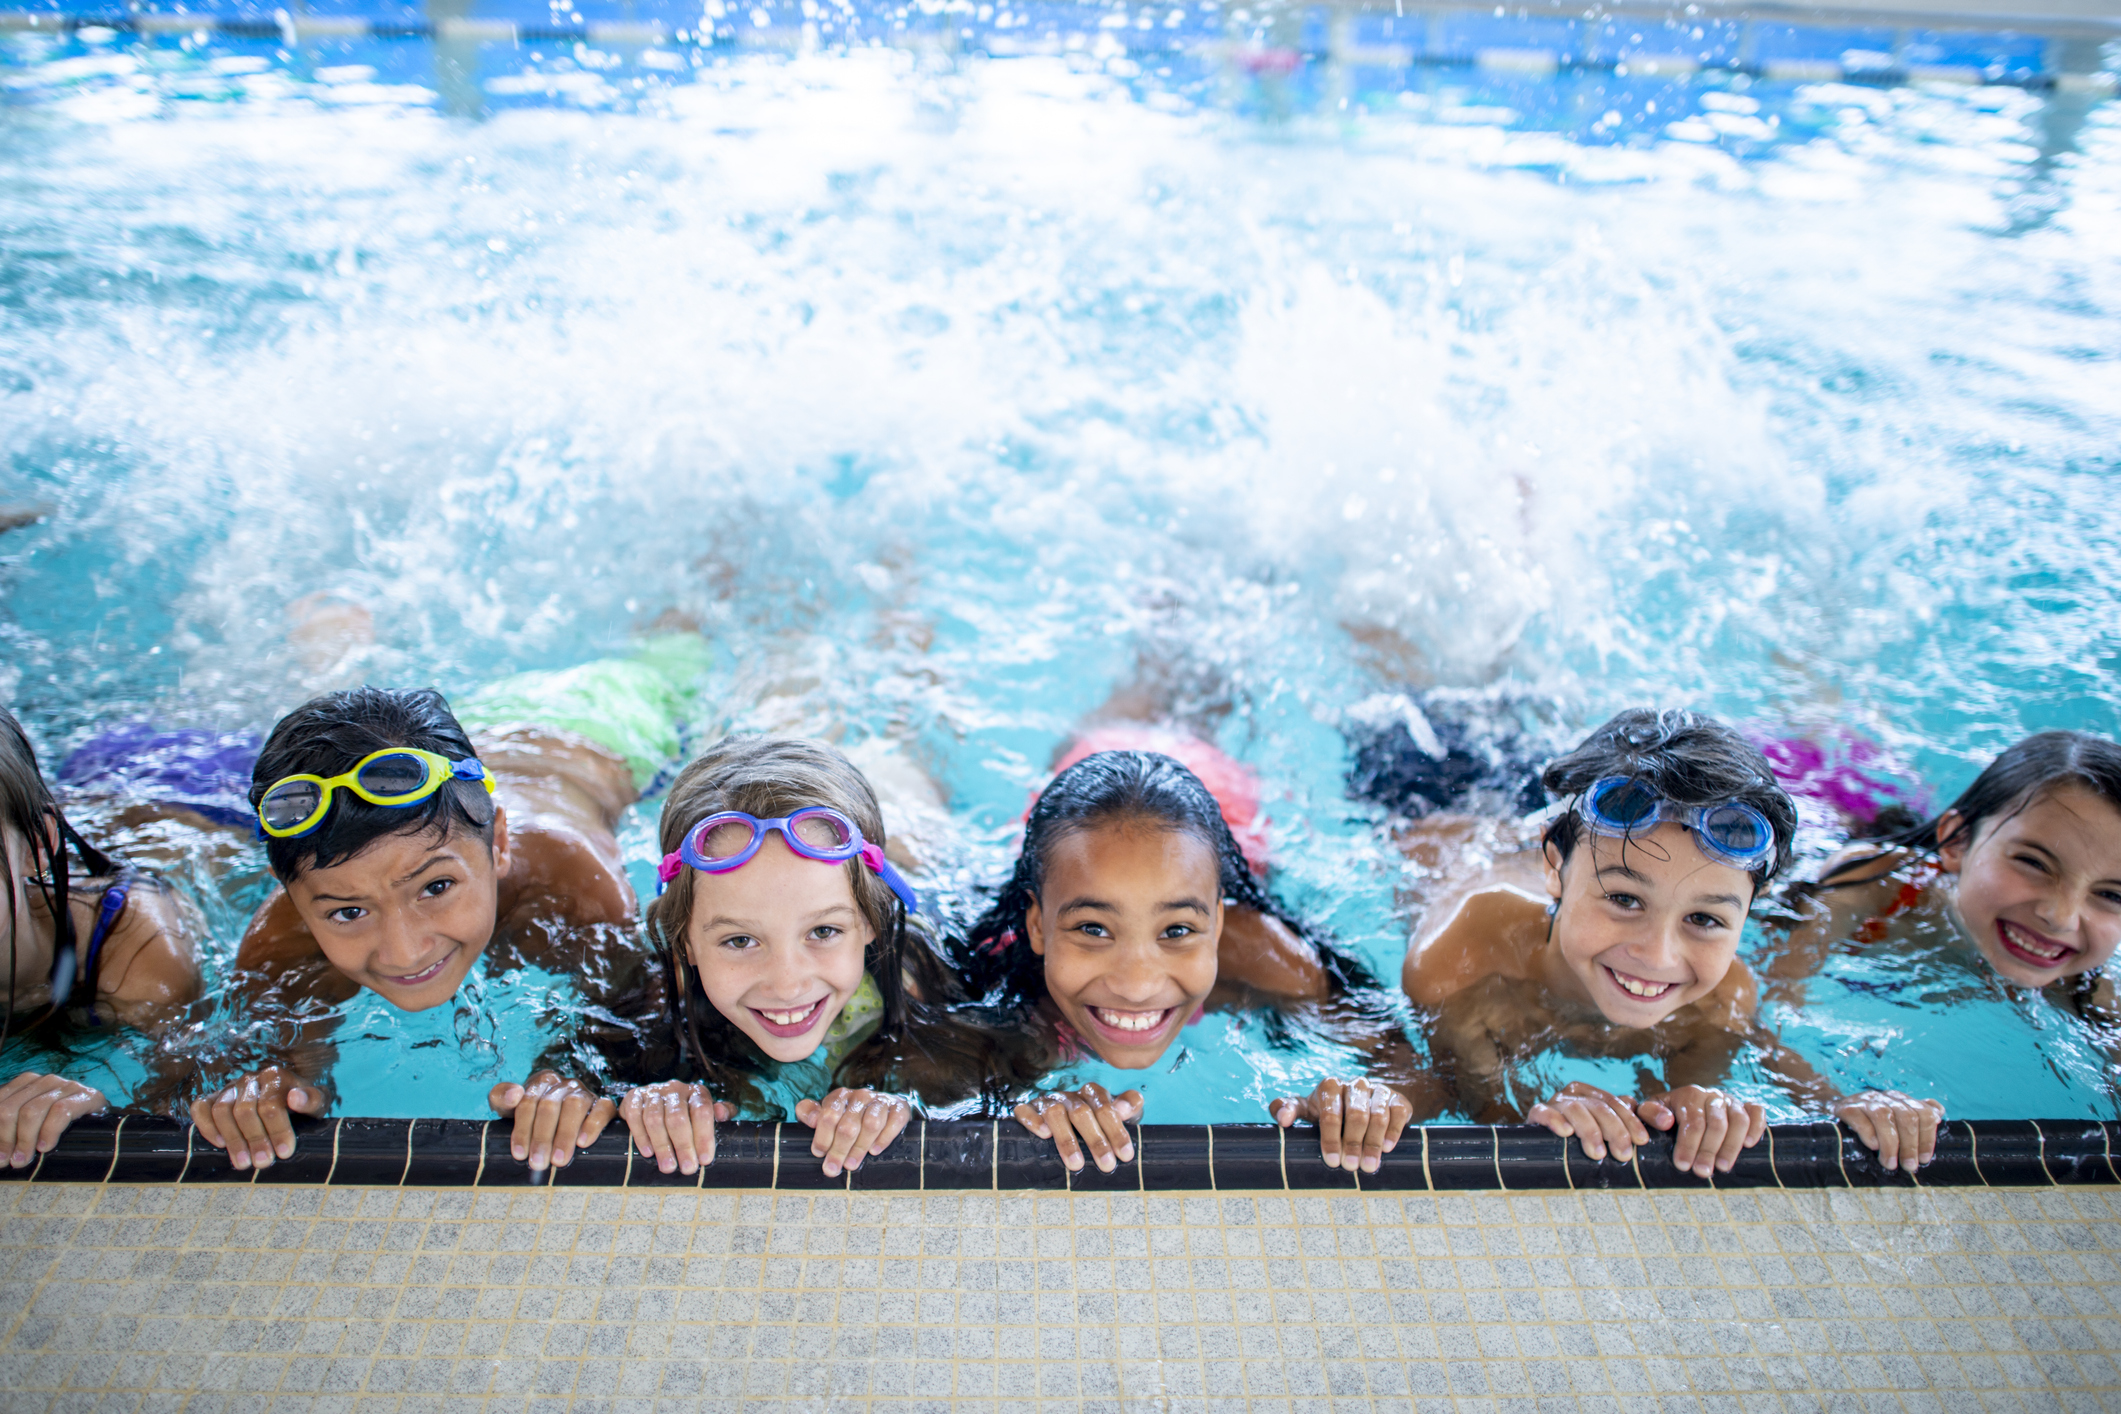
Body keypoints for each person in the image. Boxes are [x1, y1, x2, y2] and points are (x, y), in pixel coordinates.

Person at [189, 634, 708, 1173]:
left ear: (499, 844)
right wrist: (270, 1085)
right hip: (472, 725)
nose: (405, 950)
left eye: (436, 887)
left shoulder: (573, 886)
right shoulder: (277, 945)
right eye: (347, 911)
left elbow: (639, 1028)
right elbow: (248, 1068)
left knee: (677, 649)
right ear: (293, 898)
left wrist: (573, 1073)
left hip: (610, 720)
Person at [1396, 708, 1946, 1177]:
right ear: (1554, 868)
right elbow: (1477, 1110)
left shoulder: (1722, 998)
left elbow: (1693, 1106)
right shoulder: (1455, 963)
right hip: (1433, 783)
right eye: (1625, 900)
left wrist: (1856, 1108)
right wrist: (1538, 1118)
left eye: (1704, 919)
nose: (1658, 956)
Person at [963, 747, 1432, 1175]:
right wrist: (1031, 1113)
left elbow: (1410, 1068)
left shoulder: (1266, 956)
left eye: (1177, 931)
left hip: (1225, 788)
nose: (1137, 985)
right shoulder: (997, 983)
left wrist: (1367, 1106)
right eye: (1093, 928)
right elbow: (944, 1101)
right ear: (1038, 926)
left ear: (1219, 926)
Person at [619, 735, 1043, 1178]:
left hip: (929, 864)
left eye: (824, 931)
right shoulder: (649, 1003)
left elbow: (1013, 1085)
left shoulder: (935, 991)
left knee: (910, 800)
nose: (786, 984)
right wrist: (637, 1098)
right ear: (683, 939)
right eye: (740, 940)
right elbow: (574, 1082)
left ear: (870, 923)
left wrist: (906, 1108)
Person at [1764, 728, 2121, 1010]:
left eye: (2111, 894)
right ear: (1957, 842)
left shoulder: (2086, 992)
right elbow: (1772, 1003)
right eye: (2033, 863)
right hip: (1820, 812)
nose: (2061, 917)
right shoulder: (1877, 886)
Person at [0, 706, 205, 1166]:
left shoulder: (141, 967)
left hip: (182, 789)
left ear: (36, 849)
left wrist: (104, 1117)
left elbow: (182, 1123)